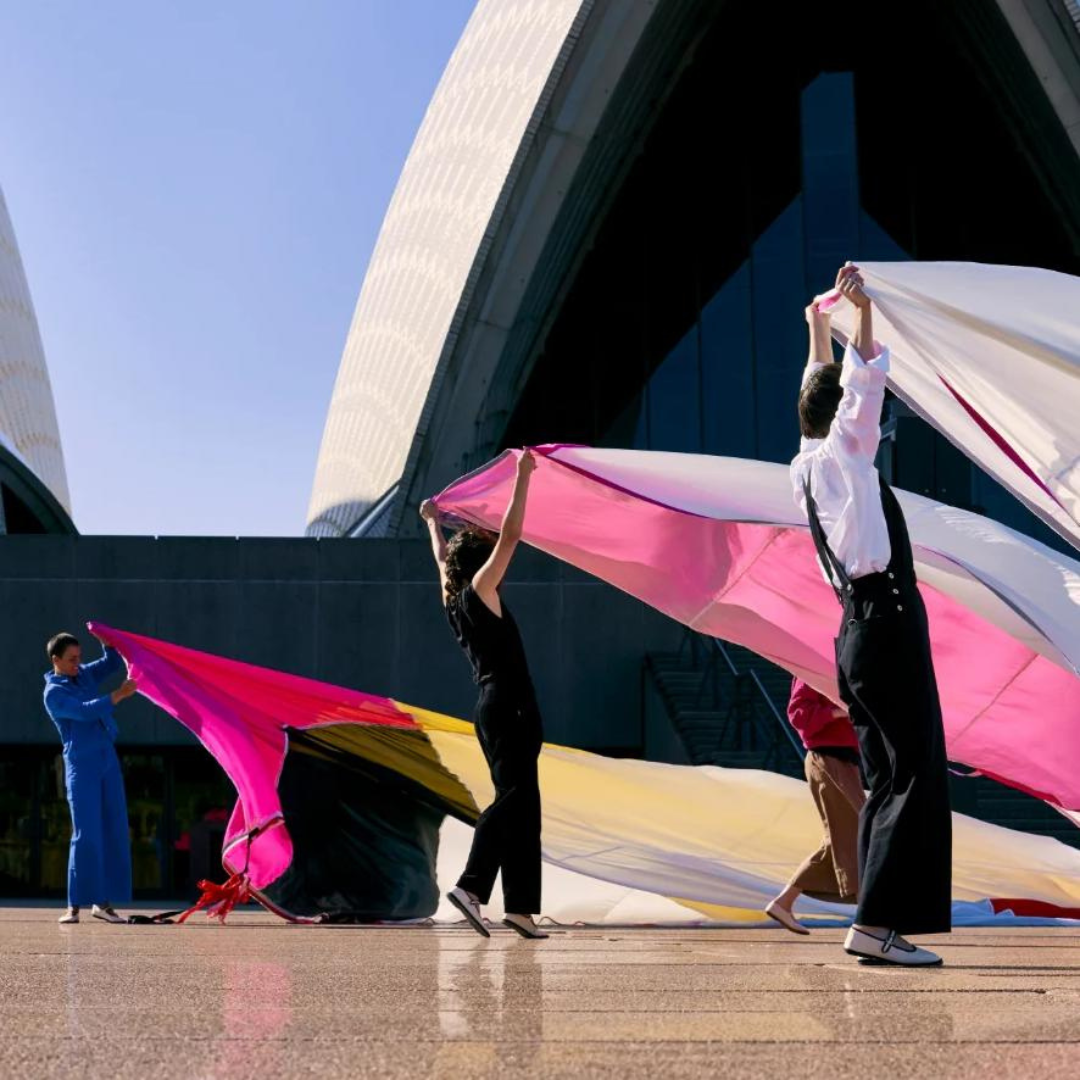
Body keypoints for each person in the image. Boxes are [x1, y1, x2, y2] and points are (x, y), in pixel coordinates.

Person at [790, 264, 952, 967]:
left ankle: (874, 921)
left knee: (888, 777)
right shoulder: (847, 456)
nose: (873, 429)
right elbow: (861, 388)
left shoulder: (804, 466)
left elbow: (823, 391)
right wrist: (862, 314)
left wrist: (816, 328)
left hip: (854, 635)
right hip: (886, 625)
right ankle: (878, 924)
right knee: (914, 772)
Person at [420, 449, 548, 940]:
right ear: (480, 564)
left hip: (493, 708)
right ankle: (471, 887)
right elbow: (511, 536)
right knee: (515, 799)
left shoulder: (453, 599)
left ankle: (521, 909)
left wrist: (432, 522)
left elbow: (441, 558)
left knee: (523, 805)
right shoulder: (480, 591)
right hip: (511, 707)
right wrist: (522, 476)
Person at [43, 631, 139, 924]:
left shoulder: (82, 674)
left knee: (114, 828)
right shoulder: (53, 693)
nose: (78, 664)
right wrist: (118, 695)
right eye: (72, 659)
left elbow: (112, 663)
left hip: (106, 758)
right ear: (56, 660)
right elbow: (84, 712)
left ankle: (102, 903)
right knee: (86, 834)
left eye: (79, 657)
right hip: (81, 765)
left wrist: (106, 641)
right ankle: (74, 905)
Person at [765, 678, 864, 935]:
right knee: (857, 831)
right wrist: (837, 712)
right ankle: (869, 920)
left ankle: (783, 903)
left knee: (844, 835)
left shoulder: (837, 671)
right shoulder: (812, 671)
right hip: (827, 758)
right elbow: (797, 714)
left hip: (843, 761)